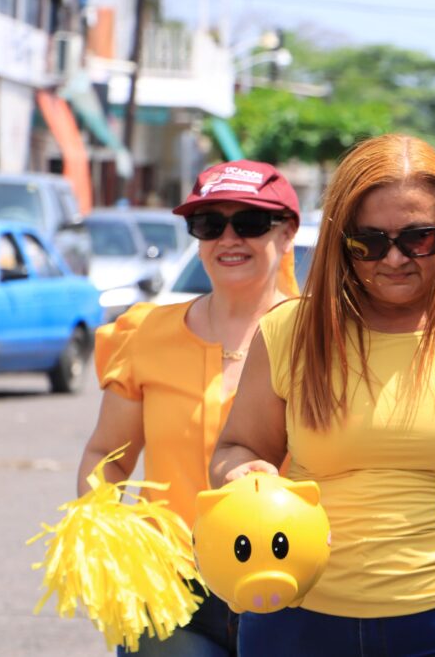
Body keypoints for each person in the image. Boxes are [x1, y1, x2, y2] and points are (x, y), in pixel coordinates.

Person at [209, 133, 435, 657]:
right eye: (369, 242)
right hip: (296, 615)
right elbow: (236, 448)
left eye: (418, 238)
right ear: (340, 240)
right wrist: (241, 475)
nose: (394, 258)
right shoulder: (290, 330)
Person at [77, 159, 301, 656]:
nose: (228, 238)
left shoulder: (321, 338)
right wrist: (105, 541)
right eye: (208, 223)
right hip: (170, 587)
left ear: (287, 232)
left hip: (295, 584)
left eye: (249, 222)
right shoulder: (147, 334)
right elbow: (106, 456)